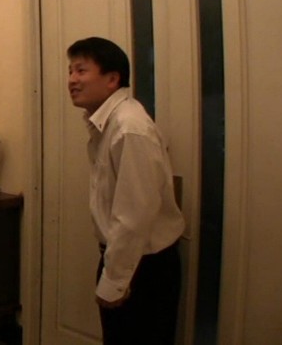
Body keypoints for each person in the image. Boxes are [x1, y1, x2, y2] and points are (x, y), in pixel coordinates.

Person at [66, 37, 186, 345]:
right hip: (126, 258)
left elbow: (135, 214)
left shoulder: (129, 127)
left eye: (81, 70)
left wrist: (115, 281)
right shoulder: (108, 123)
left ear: (112, 79)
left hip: (143, 267)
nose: (72, 80)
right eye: (70, 71)